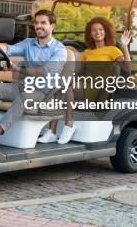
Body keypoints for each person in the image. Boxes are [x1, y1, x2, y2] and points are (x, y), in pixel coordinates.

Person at [39, 16, 132, 144]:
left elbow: (127, 68)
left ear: (106, 32)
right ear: (90, 34)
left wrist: (124, 46)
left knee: (67, 86)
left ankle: (69, 125)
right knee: (59, 86)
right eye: (94, 30)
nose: (97, 32)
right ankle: (52, 132)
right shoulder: (87, 52)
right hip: (84, 84)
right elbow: (79, 72)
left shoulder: (113, 50)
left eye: (100, 29)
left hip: (99, 87)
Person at [0, 10, 67, 137]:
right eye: (37, 23)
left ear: (52, 26)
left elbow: (45, 72)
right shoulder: (29, 43)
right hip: (23, 86)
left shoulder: (59, 49)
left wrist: (17, 68)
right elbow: (10, 49)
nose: (38, 26)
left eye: (43, 23)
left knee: (24, 98)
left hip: (44, 93)